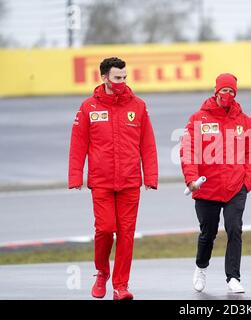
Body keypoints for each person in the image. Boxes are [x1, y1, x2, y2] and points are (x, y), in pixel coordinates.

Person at [68, 57, 158, 299]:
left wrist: (150, 176)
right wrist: (75, 176)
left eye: (124, 77)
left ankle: (121, 285)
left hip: (130, 182)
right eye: (117, 77)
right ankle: (101, 273)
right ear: (104, 78)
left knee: (127, 234)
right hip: (102, 182)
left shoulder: (138, 106)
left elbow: (147, 143)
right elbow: (78, 144)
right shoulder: (89, 107)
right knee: (105, 229)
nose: (122, 82)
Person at [180, 73, 251, 293]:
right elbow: (188, 151)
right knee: (209, 232)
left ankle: (233, 277)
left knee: (235, 229)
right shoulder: (198, 119)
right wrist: (191, 179)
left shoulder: (243, 120)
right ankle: (201, 268)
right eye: (224, 90)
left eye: (231, 91)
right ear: (216, 92)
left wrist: (248, 181)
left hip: (235, 187)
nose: (227, 94)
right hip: (206, 189)